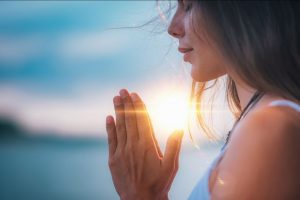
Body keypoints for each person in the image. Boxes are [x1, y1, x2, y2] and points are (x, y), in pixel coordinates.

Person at [105, 1, 300, 199]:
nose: (173, 28)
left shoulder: (269, 130)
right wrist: (154, 194)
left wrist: (138, 195)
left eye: (189, 6)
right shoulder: (265, 124)